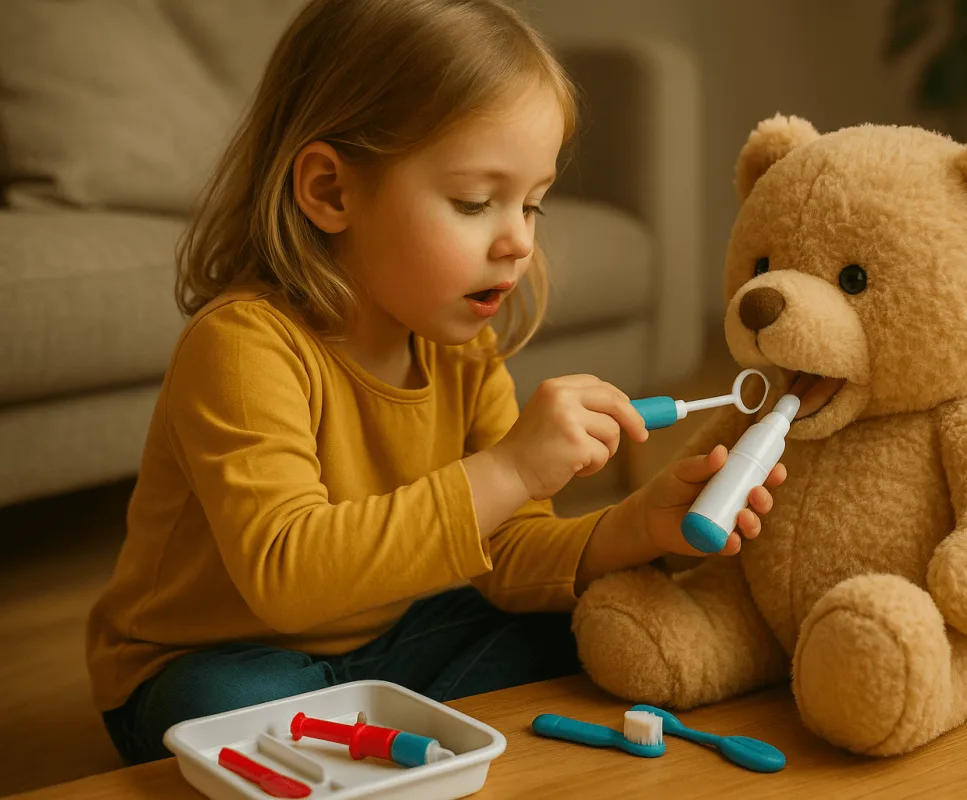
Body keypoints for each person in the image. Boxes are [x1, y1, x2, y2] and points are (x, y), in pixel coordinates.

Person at [86, 0, 785, 766]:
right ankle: (368, 728)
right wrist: (510, 467)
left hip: (389, 634)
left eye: (532, 203)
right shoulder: (243, 347)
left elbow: (507, 554)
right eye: (474, 202)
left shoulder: (463, 349)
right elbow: (287, 579)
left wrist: (633, 527)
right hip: (220, 657)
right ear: (331, 192)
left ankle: (361, 732)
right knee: (214, 705)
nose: (518, 240)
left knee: (579, 627)